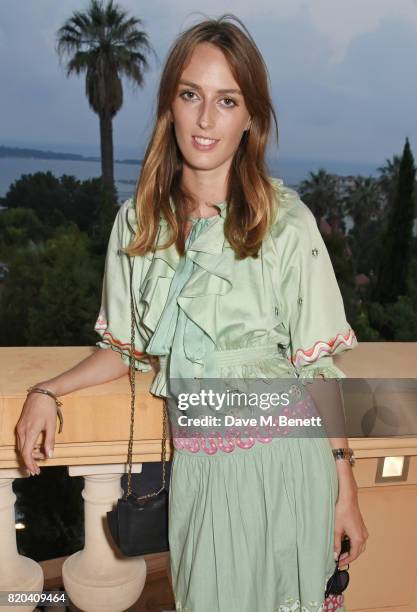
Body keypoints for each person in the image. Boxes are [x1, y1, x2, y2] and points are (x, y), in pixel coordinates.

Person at [16, 14, 368, 612]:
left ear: (250, 116)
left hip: (290, 470)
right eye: (191, 95)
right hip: (204, 476)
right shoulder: (137, 225)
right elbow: (123, 349)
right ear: (170, 106)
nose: (206, 119)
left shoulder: (286, 223)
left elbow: (318, 372)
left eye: (226, 101)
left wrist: (345, 492)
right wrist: (47, 391)